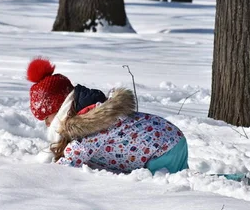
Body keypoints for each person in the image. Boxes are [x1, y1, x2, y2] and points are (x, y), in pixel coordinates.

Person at [27, 57, 189, 174]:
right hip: (170, 139)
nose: (47, 124)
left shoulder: (91, 123)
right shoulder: (86, 116)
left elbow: (70, 161)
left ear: (60, 109)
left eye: (47, 118)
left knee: (166, 182)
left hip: (165, 148)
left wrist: (41, 174)